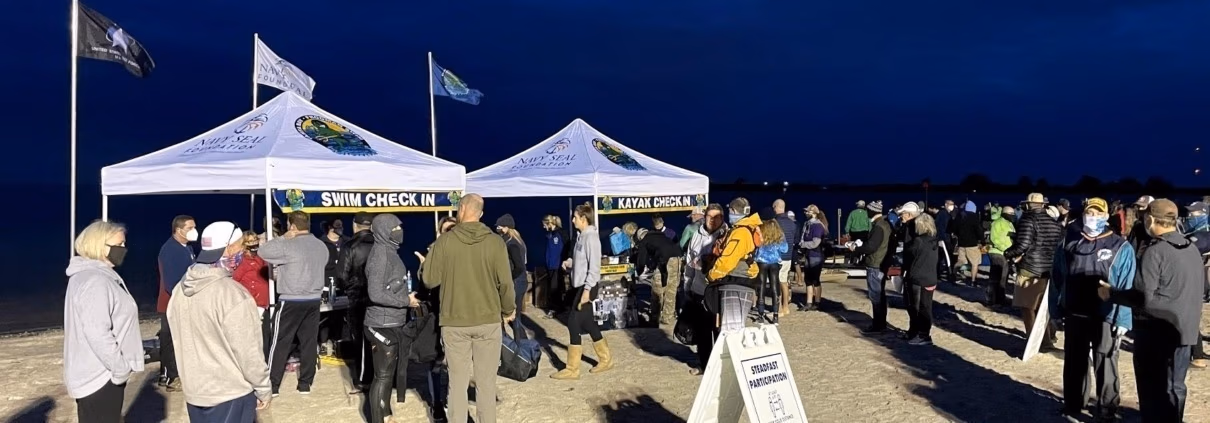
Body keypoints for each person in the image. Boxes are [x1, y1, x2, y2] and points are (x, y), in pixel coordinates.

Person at [1103, 199, 1203, 422]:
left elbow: (1141, 297)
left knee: (1152, 389)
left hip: (1156, 333)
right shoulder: (1191, 249)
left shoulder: (1155, 251)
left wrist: (1111, 293)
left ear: (1150, 219)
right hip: (1184, 331)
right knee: (1175, 387)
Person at [421, 194, 515, 423]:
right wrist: (508, 310)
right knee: (486, 384)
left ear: (461, 210)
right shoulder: (495, 242)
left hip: (455, 322)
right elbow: (505, 283)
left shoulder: (445, 242)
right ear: (481, 214)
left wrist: (427, 262)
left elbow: (429, 280)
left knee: (457, 383)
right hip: (488, 320)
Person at [168, 221, 272, 423]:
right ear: (229, 248)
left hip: (196, 391)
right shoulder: (233, 294)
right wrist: (263, 387)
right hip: (230, 391)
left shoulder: (180, 289)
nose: (243, 250)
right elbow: (248, 350)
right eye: (241, 245)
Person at [1050, 198, 1134, 422]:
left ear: (1106, 217)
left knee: (1105, 361)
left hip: (1105, 315)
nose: (1093, 218)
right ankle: (1073, 404)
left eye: (1098, 214)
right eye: (1090, 213)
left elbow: (1126, 284)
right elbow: (1057, 278)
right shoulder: (1068, 242)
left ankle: (1107, 409)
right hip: (1075, 312)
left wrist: (1123, 319)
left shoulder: (1120, 246)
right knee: (1074, 361)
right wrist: (1054, 310)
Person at [64, 220, 144, 423]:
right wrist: (120, 368)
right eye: (118, 244)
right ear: (99, 245)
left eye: (124, 244)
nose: (123, 249)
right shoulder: (95, 281)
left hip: (99, 372)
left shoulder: (92, 276)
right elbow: (97, 332)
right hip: (100, 376)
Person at [261, 211, 329, 396]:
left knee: (280, 341)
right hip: (313, 299)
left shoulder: (289, 245)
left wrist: (283, 237)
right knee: (309, 342)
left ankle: (273, 385)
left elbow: (263, 252)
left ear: (291, 226)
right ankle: (305, 383)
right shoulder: (321, 245)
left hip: (291, 299)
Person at [551, 202, 617, 380]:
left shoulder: (591, 238)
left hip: (587, 286)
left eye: (575, 217)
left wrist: (587, 291)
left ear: (583, 218)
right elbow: (582, 261)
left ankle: (572, 369)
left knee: (573, 322)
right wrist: (570, 263)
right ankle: (606, 359)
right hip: (579, 285)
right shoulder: (581, 237)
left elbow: (594, 268)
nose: (572, 220)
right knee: (588, 323)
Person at [364, 214, 418, 423]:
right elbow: (375, 293)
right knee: (383, 376)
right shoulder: (381, 256)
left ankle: (385, 414)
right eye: (394, 228)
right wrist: (406, 301)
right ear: (384, 231)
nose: (399, 231)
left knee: (387, 374)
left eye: (399, 227)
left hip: (392, 321)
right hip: (381, 323)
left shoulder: (389, 251)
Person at [1004, 193, 1065, 353]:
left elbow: (1023, 245)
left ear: (1028, 205)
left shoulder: (1028, 220)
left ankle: (1034, 341)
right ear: (1043, 205)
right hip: (1049, 269)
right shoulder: (1055, 223)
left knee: (1027, 307)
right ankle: (1048, 338)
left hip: (1030, 268)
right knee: (1044, 308)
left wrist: (1008, 253)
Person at [683, 204, 728, 374]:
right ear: (705, 217)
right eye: (710, 217)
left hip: (718, 292)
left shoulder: (727, 236)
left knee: (720, 331)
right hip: (698, 290)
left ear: (722, 218)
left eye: (717, 217)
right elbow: (689, 263)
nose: (712, 220)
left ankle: (721, 367)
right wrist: (687, 285)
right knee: (702, 332)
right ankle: (705, 365)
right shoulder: (696, 235)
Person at [156, 215, 196, 390]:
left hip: (183, 300)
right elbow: (171, 282)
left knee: (176, 339)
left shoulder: (187, 248)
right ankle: (170, 377)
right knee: (169, 339)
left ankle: (170, 374)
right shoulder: (170, 250)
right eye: (190, 228)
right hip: (171, 302)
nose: (194, 231)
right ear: (179, 230)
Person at [339, 212, 375, 392]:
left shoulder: (350, 246)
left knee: (361, 339)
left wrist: (348, 288)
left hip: (358, 296)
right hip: (379, 297)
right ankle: (382, 376)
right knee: (380, 338)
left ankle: (363, 379)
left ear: (354, 225)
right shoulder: (382, 243)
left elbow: (342, 274)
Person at [850, 201, 892, 333]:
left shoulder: (878, 226)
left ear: (872, 211)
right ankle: (880, 324)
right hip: (881, 263)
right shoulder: (885, 224)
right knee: (880, 295)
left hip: (875, 264)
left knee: (876, 296)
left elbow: (871, 247)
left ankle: (878, 325)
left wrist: (857, 248)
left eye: (868, 211)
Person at [633, 224, 684, 326]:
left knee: (657, 290)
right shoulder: (661, 236)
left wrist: (638, 272)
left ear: (640, 237)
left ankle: (655, 318)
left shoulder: (645, 240)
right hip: (678, 258)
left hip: (665, 261)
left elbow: (641, 260)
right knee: (671, 289)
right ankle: (667, 318)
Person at [231, 231, 270, 358]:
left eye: (255, 240)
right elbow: (235, 281)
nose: (254, 243)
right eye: (250, 241)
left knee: (264, 333)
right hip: (252, 302)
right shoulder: (242, 262)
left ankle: (264, 357)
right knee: (254, 333)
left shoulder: (261, 258)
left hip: (265, 301)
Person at [903, 213, 940, 346]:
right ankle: (921, 333)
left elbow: (908, 252)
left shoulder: (918, 241)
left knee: (917, 308)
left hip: (919, 278)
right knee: (926, 307)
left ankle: (922, 335)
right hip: (931, 277)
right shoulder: (934, 240)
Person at [1183, 202, 1210, 368]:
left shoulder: (1202, 237)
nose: (1189, 217)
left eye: (1194, 214)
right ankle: (1197, 353)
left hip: (1195, 284)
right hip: (1196, 283)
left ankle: (1197, 355)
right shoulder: (1193, 235)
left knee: (1189, 318)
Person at [495, 214, 529, 339]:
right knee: (513, 317)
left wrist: (507, 278)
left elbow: (519, 266)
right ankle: (519, 342)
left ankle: (522, 344)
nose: (497, 229)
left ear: (506, 228)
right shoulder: (516, 241)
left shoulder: (512, 244)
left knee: (512, 316)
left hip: (516, 282)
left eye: (499, 227)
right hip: (518, 282)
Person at [754, 213, 786, 322]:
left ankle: (761, 315)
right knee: (774, 286)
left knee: (761, 286)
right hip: (774, 262)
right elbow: (785, 249)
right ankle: (776, 315)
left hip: (761, 261)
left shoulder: (760, 231)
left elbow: (755, 245)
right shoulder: (778, 233)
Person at [798, 205, 828, 311]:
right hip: (808, 254)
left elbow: (815, 243)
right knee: (808, 279)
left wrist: (803, 245)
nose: (806, 213)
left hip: (816, 255)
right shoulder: (807, 224)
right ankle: (809, 302)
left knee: (815, 280)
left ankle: (817, 302)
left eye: (808, 211)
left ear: (814, 213)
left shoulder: (818, 226)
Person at [987, 206, 1015, 308]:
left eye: (1013, 214)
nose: (1012, 216)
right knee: (996, 278)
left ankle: (1000, 298)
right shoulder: (997, 223)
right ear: (1004, 213)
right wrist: (1004, 249)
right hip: (997, 252)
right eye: (1010, 214)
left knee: (1003, 278)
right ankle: (993, 300)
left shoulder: (1010, 224)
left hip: (1006, 253)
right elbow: (994, 238)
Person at [542, 215, 569, 316]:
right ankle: (559, 307)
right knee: (553, 287)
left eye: (544, 224)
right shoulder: (549, 235)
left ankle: (555, 308)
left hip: (558, 265)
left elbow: (567, 247)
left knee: (555, 288)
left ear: (549, 223)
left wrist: (565, 261)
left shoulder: (561, 233)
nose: (544, 227)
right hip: (550, 265)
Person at [951, 201, 983, 285]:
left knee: (961, 261)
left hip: (961, 244)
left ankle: (953, 275)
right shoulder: (974, 217)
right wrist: (982, 241)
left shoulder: (960, 216)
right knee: (975, 263)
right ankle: (973, 281)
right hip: (972, 244)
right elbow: (979, 230)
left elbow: (954, 229)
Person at [772, 200, 797, 301]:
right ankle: (785, 304)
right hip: (788, 256)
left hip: (777, 256)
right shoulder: (792, 223)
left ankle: (779, 305)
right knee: (784, 281)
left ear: (775, 207)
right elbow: (795, 240)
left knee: (777, 283)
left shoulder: (774, 222)